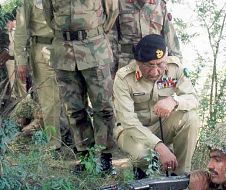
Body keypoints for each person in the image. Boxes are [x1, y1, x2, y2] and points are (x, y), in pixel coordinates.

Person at [42, 0, 119, 170]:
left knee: (104, 107)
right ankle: (86, 157)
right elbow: (49, 16)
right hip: (64, 51)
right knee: (74, 109)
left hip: (94, 49)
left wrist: (92, 33)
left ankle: (105, 157)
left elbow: (112, 11)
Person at [113, 34, 200, 178]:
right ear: (138, 62)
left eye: (160, 64)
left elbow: (193, 98)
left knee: (190, 117)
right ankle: (142, 175)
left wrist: (174, 101)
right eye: (148, 65)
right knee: (144, 155)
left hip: (162, 126)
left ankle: (179, 176)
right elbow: (128, 121)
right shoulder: (123, 78)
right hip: (132, 132)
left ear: (166, 58)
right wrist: (159, 146)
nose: (155, 72)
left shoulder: (175, 67)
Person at [14, 0, 66, 149]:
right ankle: (54, 143)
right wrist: (21, 60)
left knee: (71, 97)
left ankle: (75, 140)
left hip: (68, 48)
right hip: (44, 50)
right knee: (50, 101)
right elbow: (21, 31)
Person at [110, 0, 182, 77]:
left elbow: (171, 39)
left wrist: (179, 66)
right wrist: (112, 69)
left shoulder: (160, 5)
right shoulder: (119, 3)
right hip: (127, 62)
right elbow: (112, 39)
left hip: (155, 64)